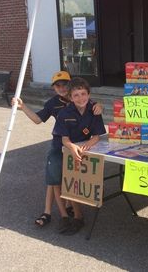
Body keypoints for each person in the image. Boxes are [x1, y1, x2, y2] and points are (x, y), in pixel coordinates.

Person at [12, 71, 103, 228]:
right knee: (54, 178)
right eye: (58, 85)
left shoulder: (87, 102)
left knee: (72, 179)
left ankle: (72, 210)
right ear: (55, 88)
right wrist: (22, 106)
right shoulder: (54, 104)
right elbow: (38, 119)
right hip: (60, 145)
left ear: (70, 85)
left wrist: (98, 106)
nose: (62, 88)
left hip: (79, 146)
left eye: (65, 84)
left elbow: (95, 125)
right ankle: (60, 214)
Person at [53, 77, 106, 235]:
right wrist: (73, 147)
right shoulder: (65, 113)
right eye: (76, 95)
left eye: (83, 94)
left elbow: (97, 136)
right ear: (70, 97)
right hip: (68, 149)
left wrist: (89, 144)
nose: (80, 98)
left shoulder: (95, 109)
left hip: (87, 148)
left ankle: (78, 210)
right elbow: (64, 139)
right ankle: (77, 216)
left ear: (89, 95)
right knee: (73, 181)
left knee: (84, 179)